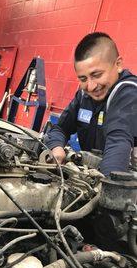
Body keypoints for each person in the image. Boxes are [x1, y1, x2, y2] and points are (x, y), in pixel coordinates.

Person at [46, 32, 137, 176]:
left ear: (118, 64)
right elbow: (60, 129)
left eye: (97, 75)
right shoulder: (84, 95)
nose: (91, 86)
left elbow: (117, 144)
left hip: (125, 183)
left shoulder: (129, 92)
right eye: (83, 79)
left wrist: (107, 192)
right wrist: (56, 147)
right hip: (93, 174)